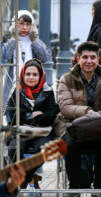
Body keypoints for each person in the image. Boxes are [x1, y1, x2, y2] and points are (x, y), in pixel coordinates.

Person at [54, 41, 101, 197]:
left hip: (99, 126)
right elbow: (65, 108)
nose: (89, 61)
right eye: (85, 57)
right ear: (78, 58)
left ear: (98, 60)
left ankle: (99, 188)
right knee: (71, 144)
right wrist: (89, 112)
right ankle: (74, 189)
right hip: (72, 125)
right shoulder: (66, 79)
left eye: (93, 57)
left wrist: (98, 116)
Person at [7, 59, 59, 189]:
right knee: (14, 149)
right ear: (23, 75)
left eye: (35, 74)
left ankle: (27, 178)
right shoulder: (17, 92)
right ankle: (29, 179)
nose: (31, 77)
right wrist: (34, 114)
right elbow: (13, 117)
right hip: (21, 132)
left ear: (40, 76)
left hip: (42, 133)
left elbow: (51, 115)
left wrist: (27, 116)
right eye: (28, 74)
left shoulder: (48, 91)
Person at [4, 10, 51, 106]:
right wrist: (13, 39)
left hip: (32, 83)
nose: (24, 27)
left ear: (32, 26)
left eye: (28, 24)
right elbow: (6, 57)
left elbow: (45, 57)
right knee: (12, 111)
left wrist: (34, 40)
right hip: (13, 84)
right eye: (21, 24)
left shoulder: (36, 41)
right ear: (15, 24)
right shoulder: (9, 42)